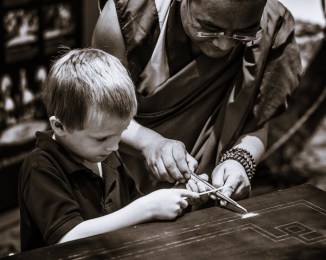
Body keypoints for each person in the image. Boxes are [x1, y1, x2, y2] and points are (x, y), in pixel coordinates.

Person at [92, 0, 302, 204]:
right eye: (209, 28)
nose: (224, 44)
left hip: (207, 193)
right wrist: (150, 144)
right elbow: (99, 114)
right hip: (126, 185)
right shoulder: (132, 15)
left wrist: (239, 160)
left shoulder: (272, 23)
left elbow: (256, 122)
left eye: (243, 33)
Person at [19, 48, 200, 251]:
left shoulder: (104, 154)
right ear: (60, 126)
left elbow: (130, 210)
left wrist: (178, 196)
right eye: (101, 138)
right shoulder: (41, 167)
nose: (114, 146)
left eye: (120, 133)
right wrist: (148, 208)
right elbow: (67, 238)